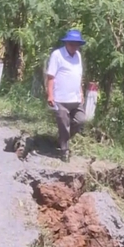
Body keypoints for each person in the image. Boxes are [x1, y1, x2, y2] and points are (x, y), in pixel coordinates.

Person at [46, 30, 87, 162]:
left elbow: (78, 76)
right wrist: (50, 95)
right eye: (72, 43)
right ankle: (64, 150)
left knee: (80, 120)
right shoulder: (57, 55)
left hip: (75, 98)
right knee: (64, 124)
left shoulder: (78, 56)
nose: (74, 46)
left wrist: (81, 92)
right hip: (60, 99)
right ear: (67, 43)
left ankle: (61, 140)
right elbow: (51, 76)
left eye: (77, 44)